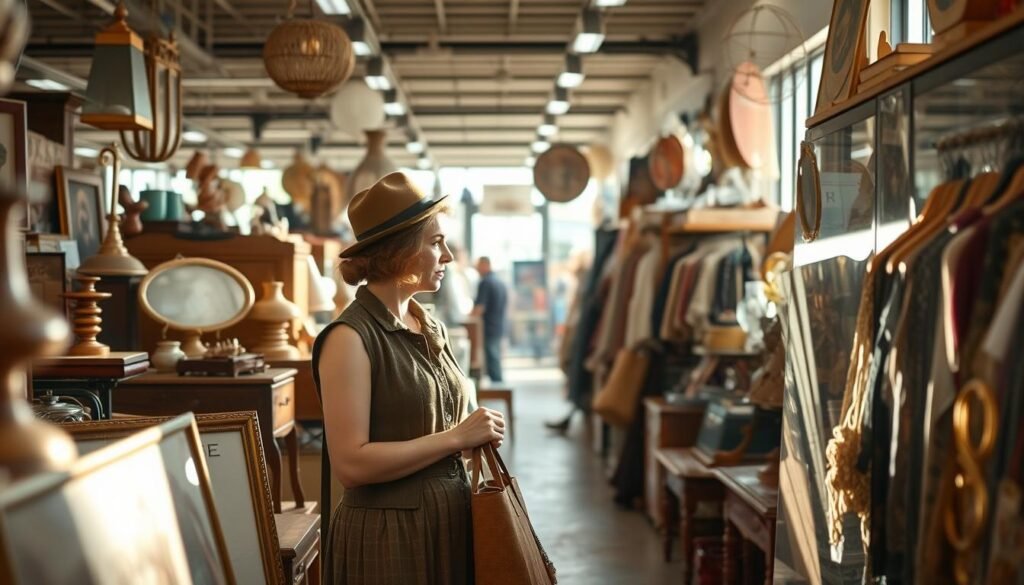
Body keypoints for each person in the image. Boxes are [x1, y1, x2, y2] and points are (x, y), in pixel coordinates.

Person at [312, 172, 506, 585]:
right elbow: (350, 464)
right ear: (400, 251)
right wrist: (457, 438)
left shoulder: (429, 325)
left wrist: (474, 432)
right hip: (390, 538)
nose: (447, 256)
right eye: (436, 243)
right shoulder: (350, 338)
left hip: (448, 523)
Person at [472, 256, 508, 383]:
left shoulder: (485, 283)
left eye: (478, 266)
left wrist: (468, 318)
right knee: (495, 358)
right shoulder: (500, 283)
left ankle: (497, 387)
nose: (477, 269)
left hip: (488, 327)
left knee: (492, 359)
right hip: (498, 326)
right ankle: (499, 386)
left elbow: (480, 308)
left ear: (485, 265)